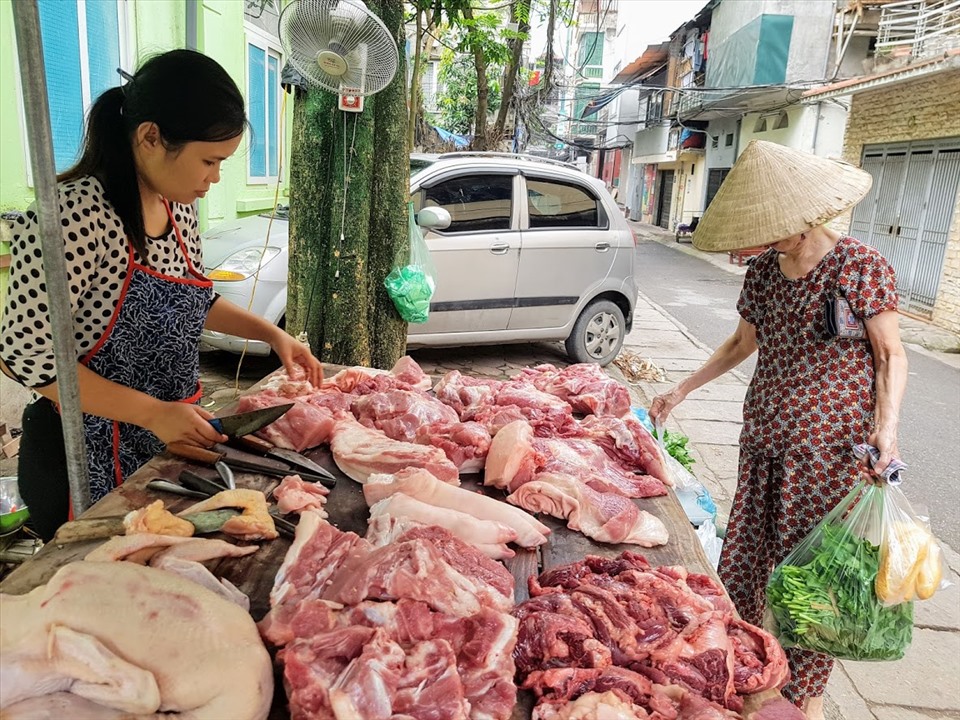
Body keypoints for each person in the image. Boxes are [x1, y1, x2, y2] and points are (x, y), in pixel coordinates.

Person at [0, 50, 323, 541]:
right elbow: (25, 356)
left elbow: (192, 302)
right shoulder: (69, 215)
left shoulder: (177, 209)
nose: (214, 178)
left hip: (166, 438)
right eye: (209, 161)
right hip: (82, 454)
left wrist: (272, 334)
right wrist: (154, 413)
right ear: (151, 137)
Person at [649, 140, 908, 720]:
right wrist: (683, 388)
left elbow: (890, 355)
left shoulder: (860, 268)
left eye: (774, 231)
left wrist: (886, 431)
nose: (764, 243)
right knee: (746, 557)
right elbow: (743, 344)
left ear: (802, 219)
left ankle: (807, 698)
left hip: (832, 450)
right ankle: (747, 666)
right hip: (764, 437)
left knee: (813, 573)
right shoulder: (765, 274)